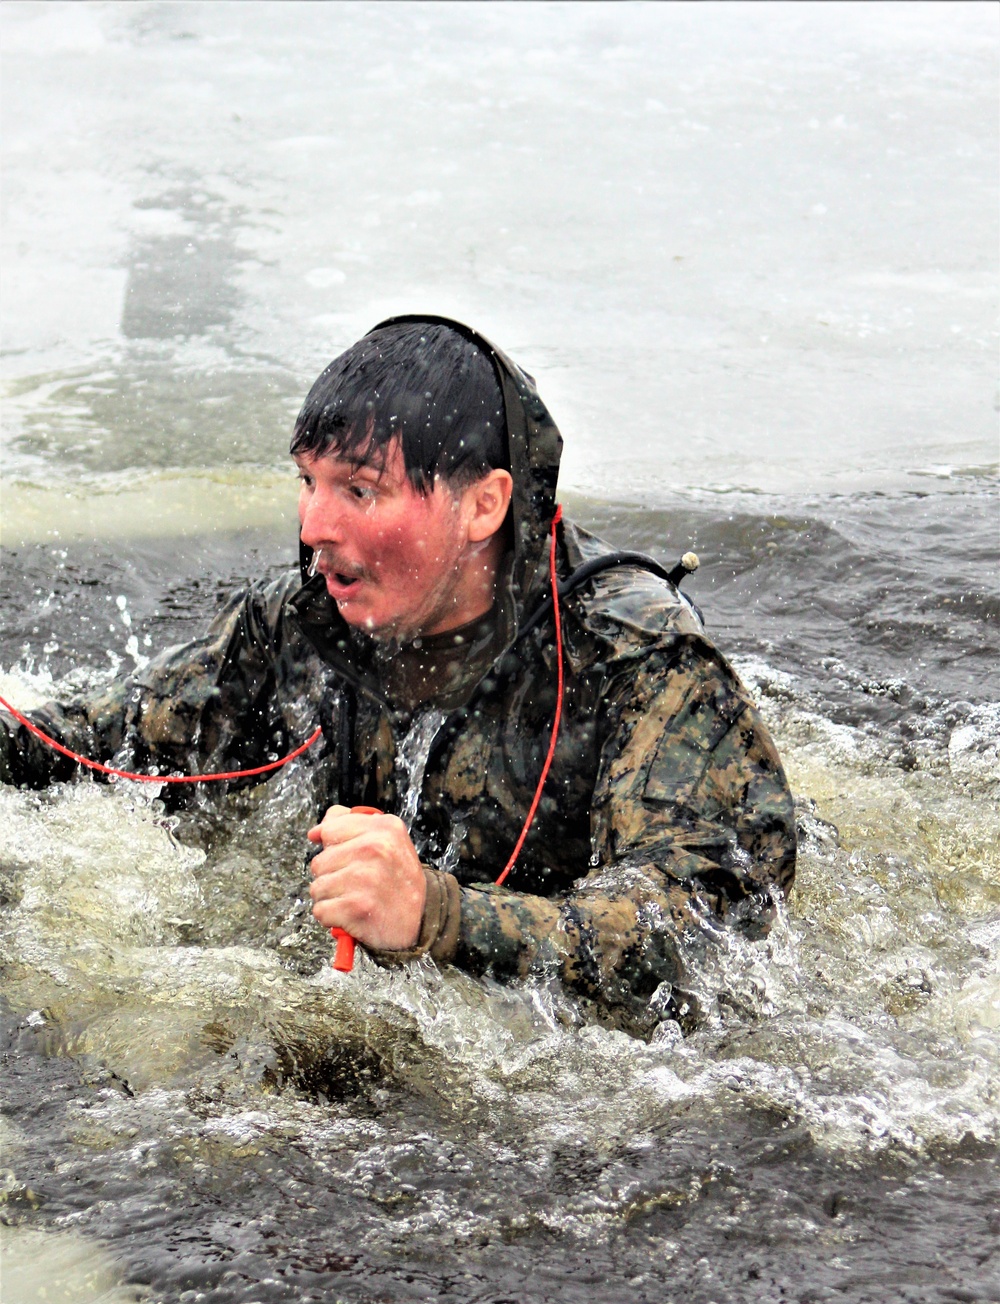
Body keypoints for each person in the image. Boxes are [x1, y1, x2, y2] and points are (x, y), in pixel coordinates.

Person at [0, 316, 796, 1035]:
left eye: (359, 489)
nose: (314, 526)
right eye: (308, 482)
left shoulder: (637, 657)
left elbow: (714, 925)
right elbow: (103, 747)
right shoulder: (301, 621)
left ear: (482, 506)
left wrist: (436, 914)